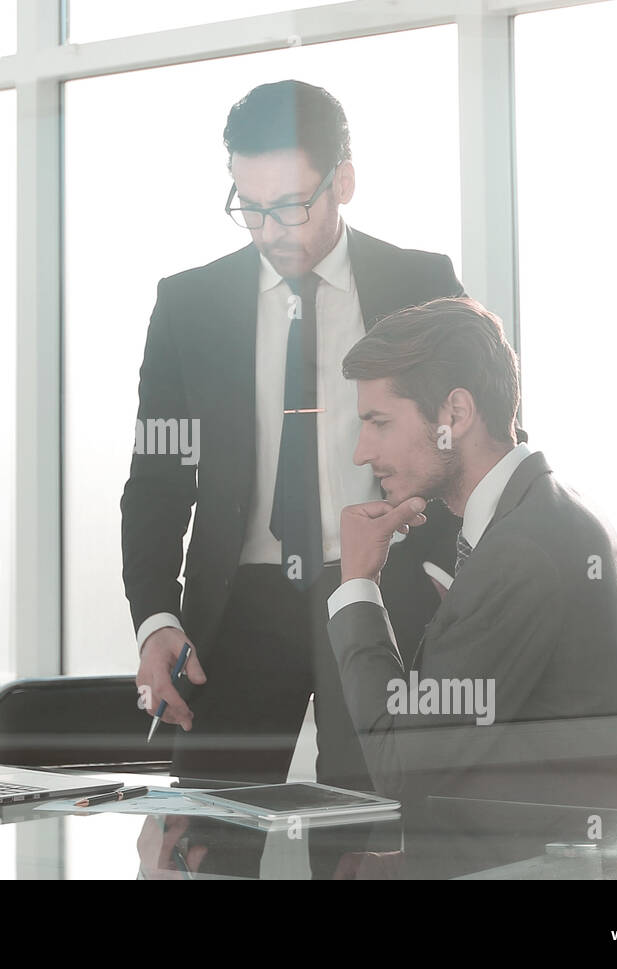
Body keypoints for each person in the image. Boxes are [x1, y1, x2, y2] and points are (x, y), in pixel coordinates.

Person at [123, 79, 467, 789]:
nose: (269, 230)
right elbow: (157, 478)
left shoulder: (421, 284)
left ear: (343, 180)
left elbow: (475, 445)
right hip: (238, 609)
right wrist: (157, 617)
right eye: (248, 207)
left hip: (384, 593)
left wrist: (439, 575)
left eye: (289, 205)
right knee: (207, 840)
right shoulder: (187, 307)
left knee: (374, 835)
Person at [329, 296, 617, 812]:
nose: (362, 452)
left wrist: (357, 586)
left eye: (379, 422)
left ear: (455, 412)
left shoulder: (520, 551)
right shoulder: (547, 513)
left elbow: (401, 766)